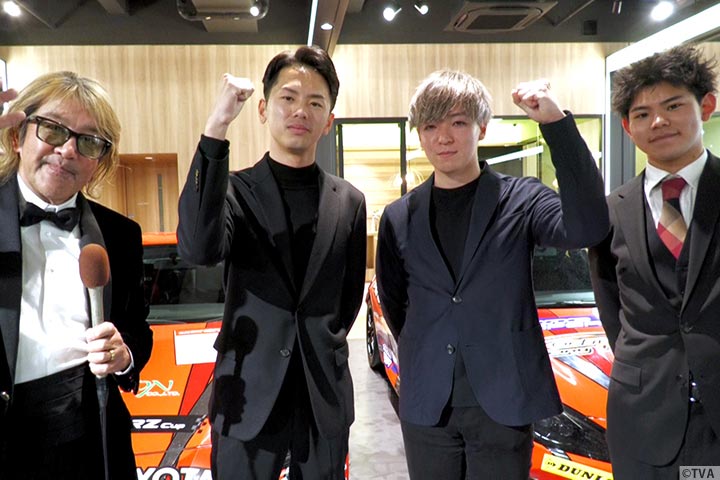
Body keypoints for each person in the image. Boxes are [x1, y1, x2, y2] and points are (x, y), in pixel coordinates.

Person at [375, 70, 609, 479]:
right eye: (430, 126)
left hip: (504, 398)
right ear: (420, 135)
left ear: (481, 128)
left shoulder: (521, 199)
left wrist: (555, 124)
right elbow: (396, 302)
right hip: (428, 402)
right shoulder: (399, 216)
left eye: (457, 122)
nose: (443, 137)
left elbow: (587, 227)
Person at [177, 46, 366, 479]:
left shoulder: (349, 202)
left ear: (328, 121)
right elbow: (197, 249)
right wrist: (217, 126)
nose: (301, 110)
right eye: (288, 97)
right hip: (248, 390)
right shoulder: (234, 191)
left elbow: (348, 299)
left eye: (315, 102)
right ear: (263, 109)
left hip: (322, 394)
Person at [0, 71, 153, 479]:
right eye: (53, 129)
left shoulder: (121, 234)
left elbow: (137, 329)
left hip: (90, 431)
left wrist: (124, 355)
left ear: (98, 163)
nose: (67, 150)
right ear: (17, 137)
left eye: (88, 141)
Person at [588, 44, 720, 478]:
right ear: (627, 127)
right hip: (642, 415)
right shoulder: (611, 211)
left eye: (673, 106)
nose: (658, 121)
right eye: (642, 114)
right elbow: (611, 305)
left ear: (706, 106)